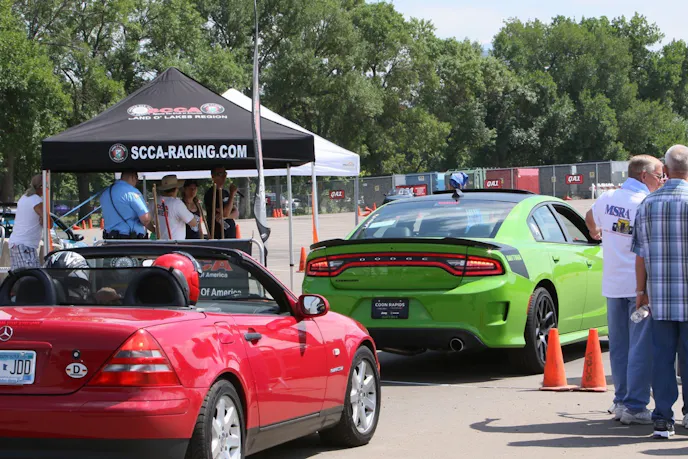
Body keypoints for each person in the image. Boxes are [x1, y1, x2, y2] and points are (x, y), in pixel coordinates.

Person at [585, 154, 665, 425]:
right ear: (644, 176)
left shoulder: (608, 198)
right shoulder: (646, 202)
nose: (661, 181)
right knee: (641, 348)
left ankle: (621, 401)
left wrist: (596, 232)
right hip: (639, 287)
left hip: (613, 285)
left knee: (619, 347)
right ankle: (635, 406)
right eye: (659, 176)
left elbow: (589, 216)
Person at [632, 144, 688, 439]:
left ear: (665, 170)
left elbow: (640, 255)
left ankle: (663, 420)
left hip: (660, 298)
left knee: (662, 359)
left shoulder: (648, 204)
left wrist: (640, 291)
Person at [101, 171, 155, 239]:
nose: (136, 183)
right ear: (132, 177)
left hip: (109, 239)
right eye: (137, 180)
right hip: (129, 240)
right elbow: (145, 219)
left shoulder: (105, 193)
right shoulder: (131, 192)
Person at [8, 175, 45, 270]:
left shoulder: (24, 198)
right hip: (26, 246)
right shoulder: (36, 200)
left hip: (16, 244)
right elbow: (48, 222)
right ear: (42, 187)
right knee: (33, 276)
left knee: (20, 276)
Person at [156, 175, 199, 241]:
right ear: (176, 189)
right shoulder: (177, 203)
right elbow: (193, 223)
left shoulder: (155, 201)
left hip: (160, 242)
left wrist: (154, 230)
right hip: (176, 243)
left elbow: (145, 220)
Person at [203, 166, 238, 239]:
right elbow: (225, 212)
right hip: (219, 235)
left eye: (225, 174)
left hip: (230, 234)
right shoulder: (211, 194)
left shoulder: (225, 192)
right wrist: (232, 194)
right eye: (220, 174)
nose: (224, 176)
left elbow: (236, 213)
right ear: (213, 177)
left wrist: (226, 216)